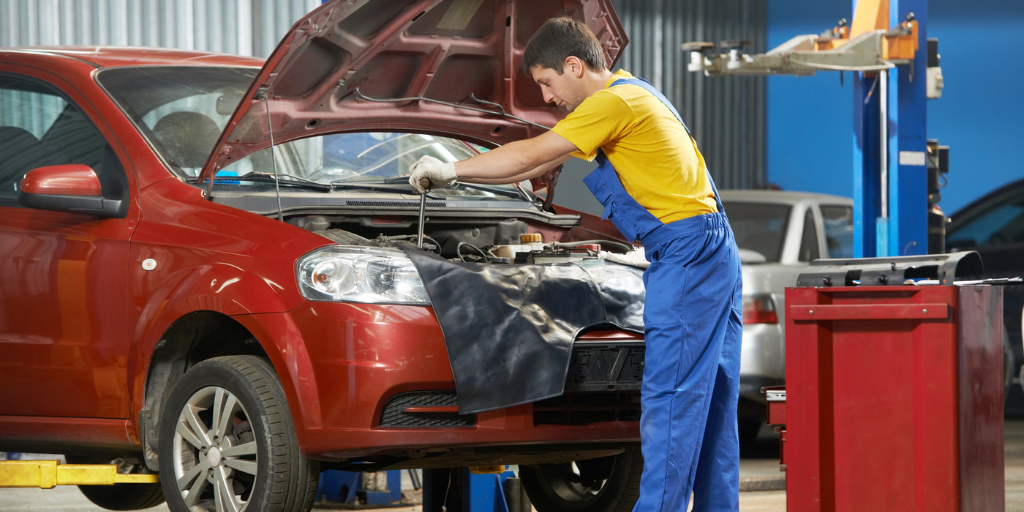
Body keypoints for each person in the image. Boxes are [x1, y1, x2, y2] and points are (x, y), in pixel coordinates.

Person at [409, 17, 743, 512]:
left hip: (688, 255)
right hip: (712, 248)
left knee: (669, 402)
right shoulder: (637, 92)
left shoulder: (611, 102)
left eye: (547, 83)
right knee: (713, 403)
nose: (547, 97)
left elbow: (531, 155)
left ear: (573, 65)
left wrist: (450, 170)